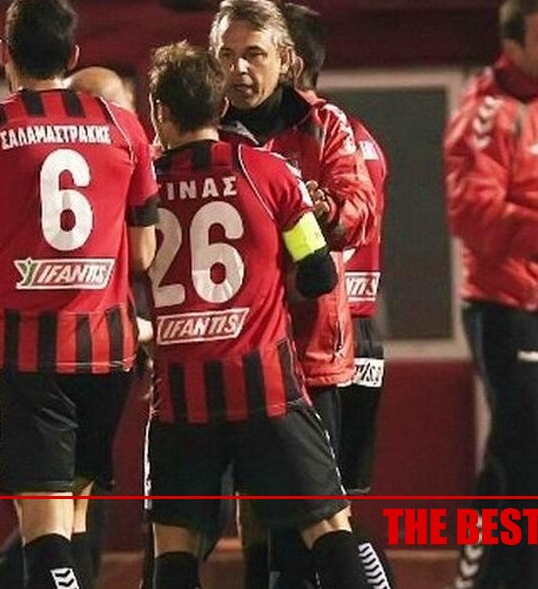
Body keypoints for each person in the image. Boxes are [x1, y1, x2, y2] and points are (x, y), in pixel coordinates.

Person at [0, 0, 158, 589]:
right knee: (75, 516)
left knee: (43, 528)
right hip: (109, 353)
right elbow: (144, 254)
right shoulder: (125, 127)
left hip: (31, 354)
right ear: (72, 56)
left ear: (5, 53)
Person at [143, 38, 369, 589]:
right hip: (265, 386)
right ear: (221, 106)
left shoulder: (142, 185)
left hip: (180, 396)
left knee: (174, 550)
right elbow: (319, 274)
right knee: (329, 527)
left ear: (160, 112)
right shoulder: (270, 173)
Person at [208, 0, 378, 589]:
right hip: (225, 357)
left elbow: (359, 213)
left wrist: (309, 204)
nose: (239, 69)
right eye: (226, 55)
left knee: (315, 521)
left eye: (253, 54)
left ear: (285, 58)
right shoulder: (199, 130)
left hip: (308, 355)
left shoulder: (326, 125)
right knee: (230, 521)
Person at [444, 0, 538, 589]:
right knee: (524, 466)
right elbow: (472, 210)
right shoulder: (489, 113)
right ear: (513, 45)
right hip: (508, 307)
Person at [0, 63, 132, 589]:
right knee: (55, 514)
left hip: (56, 356)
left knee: (62, 515)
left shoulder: (14, 151)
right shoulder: (93, 165)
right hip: (42, 356)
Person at [276, 1, 396, 588]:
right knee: (332, 502)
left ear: (290, 61)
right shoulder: (359, 137)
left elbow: (340, 226)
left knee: (321, 505)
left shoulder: (315, 139)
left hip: (326, 335)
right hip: (363, 333)